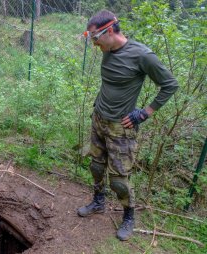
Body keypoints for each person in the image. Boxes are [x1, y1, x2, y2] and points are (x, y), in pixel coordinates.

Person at [76, 10, 178, 241]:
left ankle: (129, 217)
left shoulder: (142, 55)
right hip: (99, 119)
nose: (93, 43)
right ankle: (98, 202)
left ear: (109, 31)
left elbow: (170, 85)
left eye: (95, 38)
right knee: (96, 166)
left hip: (121, 128)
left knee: (119, 179)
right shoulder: (107, 49)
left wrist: (144, 114)